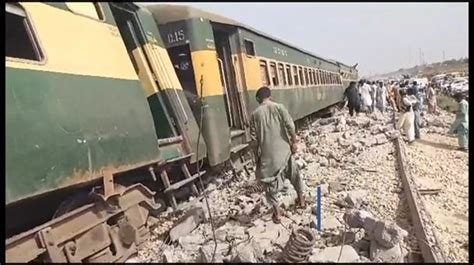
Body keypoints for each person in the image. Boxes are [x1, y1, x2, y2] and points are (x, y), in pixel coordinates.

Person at [249, 86, 306, 224]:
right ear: (270, 96)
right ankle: (302, 200)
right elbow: (290, 125)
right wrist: (293, 142)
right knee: (295, 175)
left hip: (268, 156)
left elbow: (254, 140)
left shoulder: (255, 115)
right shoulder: (279, 107)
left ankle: (277, 214)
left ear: (258, 99)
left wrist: (257, 158)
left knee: (269, 185)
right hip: (285, 151)